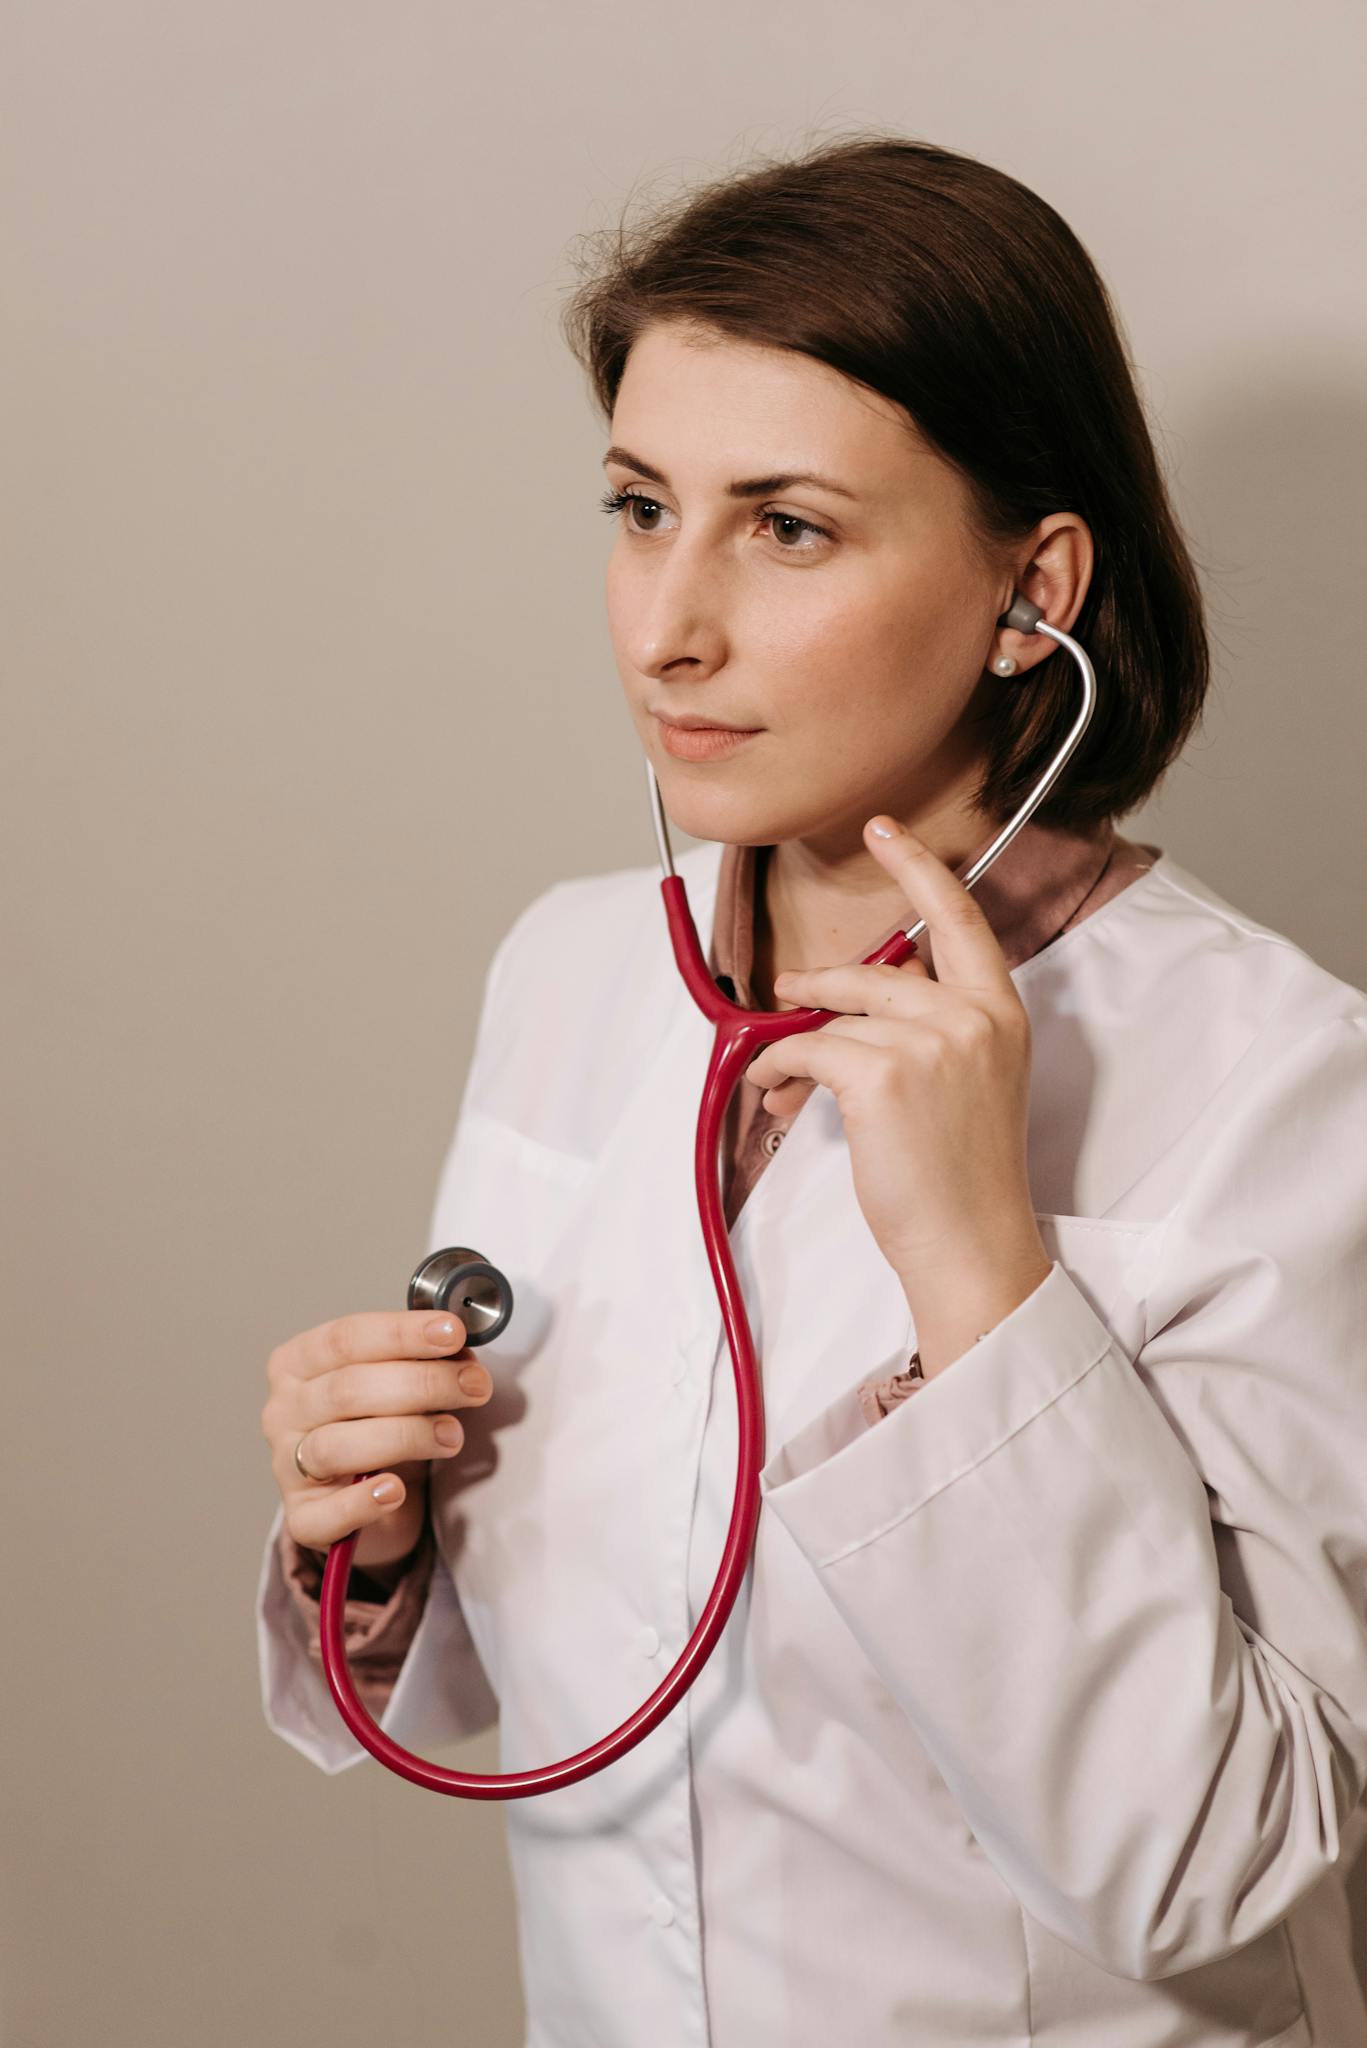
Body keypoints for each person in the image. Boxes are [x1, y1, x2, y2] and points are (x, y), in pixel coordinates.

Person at [256, 132, 1367, 2044]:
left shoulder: (1284, 1083)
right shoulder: (572, 969)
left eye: (786, 527)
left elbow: (1217, 1859)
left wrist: (982, 1275)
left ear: (1034, 593)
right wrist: (383, 1536)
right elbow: (560, 1673)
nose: (664, 623)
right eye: (636, 505)